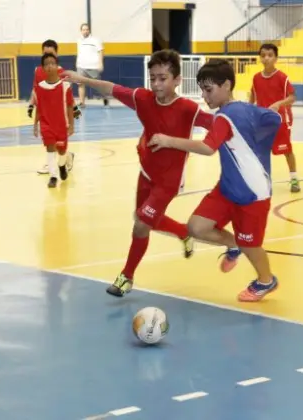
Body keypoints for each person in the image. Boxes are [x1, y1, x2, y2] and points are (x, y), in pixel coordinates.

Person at [62, 49, 214, 297]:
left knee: (142, 225)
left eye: (163, 78)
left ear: (177, 80)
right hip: (146, 172)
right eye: (152, 78)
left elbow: (216, 125)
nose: (156, 84)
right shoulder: (143, 99)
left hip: (169, 181)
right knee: (141, 217)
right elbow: (111, 88)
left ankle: (126, 277)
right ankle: (183, 232)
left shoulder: (187, 109)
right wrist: (83, 80)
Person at [148, 59, 282, 302]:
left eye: (208, 90)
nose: (205, 96)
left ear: (227, 85)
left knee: (252, 245)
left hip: (252, 195)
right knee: (197, 227)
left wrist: (168, 141)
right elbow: (274, 119)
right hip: (228, 187)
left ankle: (266, 281)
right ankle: (234, 244)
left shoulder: (225, 117)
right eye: (202, 90)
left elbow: (208, 147)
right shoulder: (246, 109)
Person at [250, 43, 300, 193]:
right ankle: (264, 179)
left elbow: (292, 98)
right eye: (263, 55)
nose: (266, 58)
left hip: (281, 120)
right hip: (263, 121)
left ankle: (294, 178)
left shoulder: (282, 78)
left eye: (270, 55)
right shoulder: (256, 78)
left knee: (286, 150)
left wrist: (279, 104)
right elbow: (252, 97)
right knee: (261, 150)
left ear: (276, 58)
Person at [29, 39, 79, 175]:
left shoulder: (62, 73)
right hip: (45, 111)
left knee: (57, 141)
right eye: (45, 54)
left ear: (56, 55)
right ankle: (63, 158)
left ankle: (62, 158)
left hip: (58, 113)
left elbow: (67, 95)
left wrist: (75, 109)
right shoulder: (38, 71)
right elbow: (35, 90)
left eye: (51, 54)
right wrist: (31, 105)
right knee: (48, 139)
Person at [75, 23, 108, 108]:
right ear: (81, 31)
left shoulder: (95, 40)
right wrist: (78, 63)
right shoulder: (79, 41)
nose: (85, 31)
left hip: (93, 67)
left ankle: (105, 98)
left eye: (87, 29)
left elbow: (101, 51)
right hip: (81, 66)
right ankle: (82, 102)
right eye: (83, 30)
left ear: (89, 30)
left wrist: (100, 63)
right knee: (80, 84)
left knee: (99, 86)